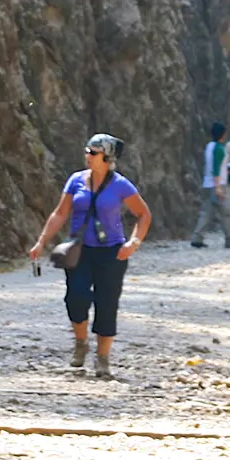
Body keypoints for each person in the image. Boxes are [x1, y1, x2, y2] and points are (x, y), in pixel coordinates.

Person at [26, 133, 152, 379]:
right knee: (76, 297)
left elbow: (143, 214)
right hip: (80, 251)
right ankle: (81, 342)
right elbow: (60, 213)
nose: (88, 156)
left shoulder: (121, 185)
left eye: (93, 153)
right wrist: (41, 242)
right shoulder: (75, 181)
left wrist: (134, 242)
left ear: (106, 157)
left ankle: (102, 358)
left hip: (112, 253)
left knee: (107, 303)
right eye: (87, 151)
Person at [189, 122, 230, 248]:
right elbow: (216, 168)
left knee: (206, 213)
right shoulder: (219, 148)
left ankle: (197, 237)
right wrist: (218, 187)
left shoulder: (209, 146)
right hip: (217, 184)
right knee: (225, 213)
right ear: (222, 134)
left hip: (207, 184)